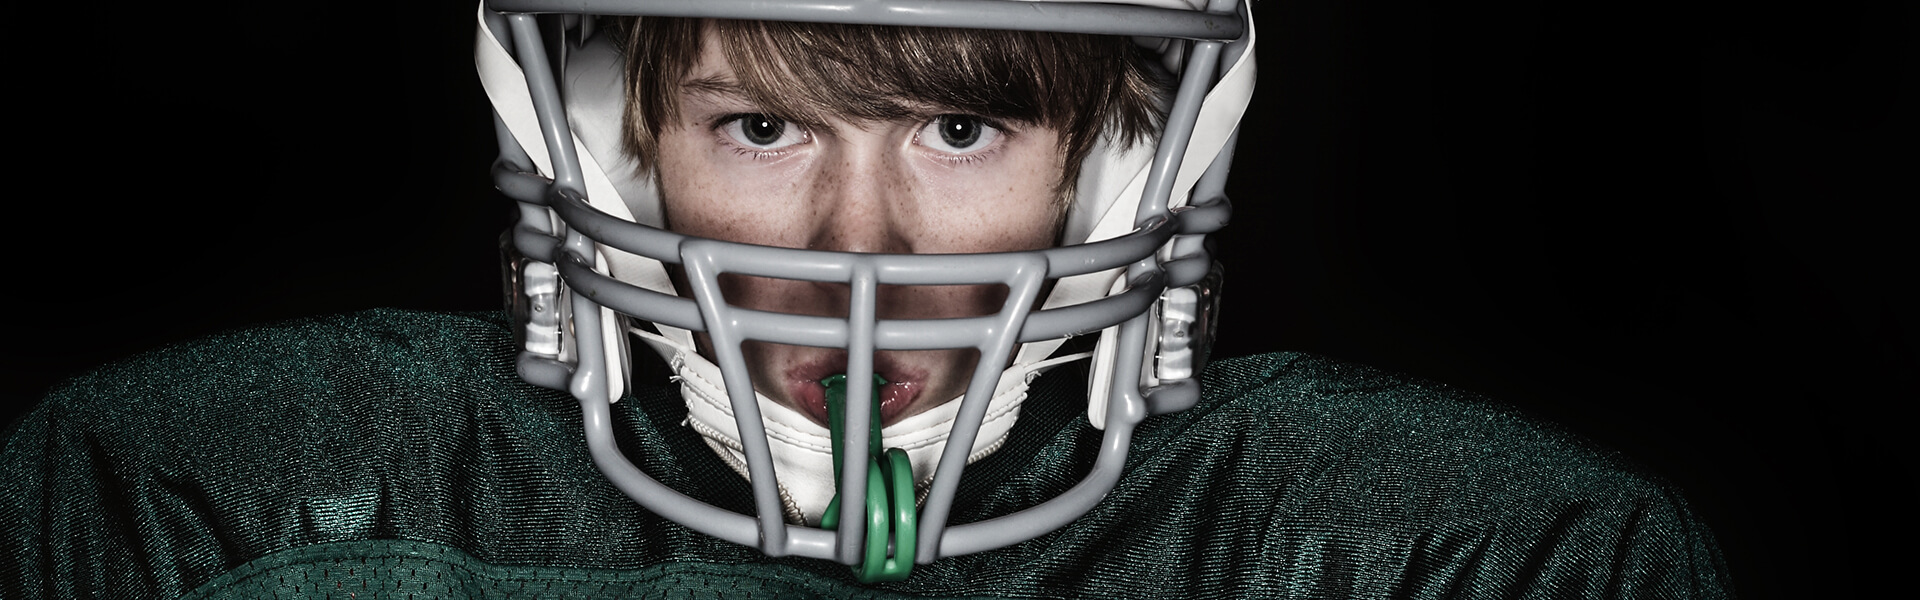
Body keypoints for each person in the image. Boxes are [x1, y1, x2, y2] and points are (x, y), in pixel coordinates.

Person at [2, 0, 1734, 597]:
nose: (859, 244)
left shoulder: (1477, 555)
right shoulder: (212, 493)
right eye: (762, 125)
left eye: (962, 127)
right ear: (617, 151)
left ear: (1116, 162)